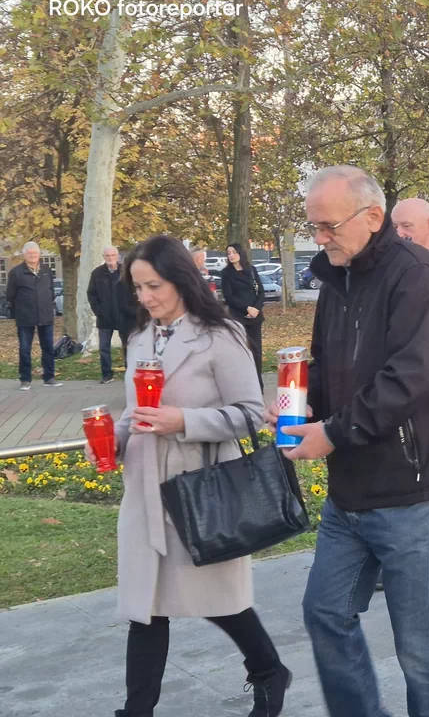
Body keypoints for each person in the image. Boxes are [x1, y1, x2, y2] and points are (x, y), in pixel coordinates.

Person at [265, 165, 429, 717]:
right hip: (352, 488)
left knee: (417, 642)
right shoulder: (338, 276)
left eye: (327, 226)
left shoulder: (418, 276)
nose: (319, 238)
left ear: (373, 217)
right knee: (326, 612)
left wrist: (333, 433)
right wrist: (302, 402)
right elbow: (331, 366)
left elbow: (410, 376)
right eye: (313, 226)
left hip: (416, 489)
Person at [82, 234, 291, 717]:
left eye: (153, 286)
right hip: (145, 487)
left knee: (221, 600)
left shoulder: (220, 335)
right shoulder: (140, 338)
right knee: (146, 607)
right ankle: (137, 710)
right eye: (138, 288)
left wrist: (184, 421)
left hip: (200, 488)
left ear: (180, 279)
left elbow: (250, 413)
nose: (145, 297)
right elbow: (136, 411)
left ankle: (268, 669)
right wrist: (113, 439)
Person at [6, 241, 61, 390]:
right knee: (25, 349)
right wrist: (22, 308)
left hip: (45, 315)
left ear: (39, 254)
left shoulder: (46, 270)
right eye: (30, 253)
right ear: (24, 255)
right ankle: (25, 380)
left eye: (35, 253)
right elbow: (10, 295)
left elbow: (51, 291)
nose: (33, 255)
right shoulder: (16, 272)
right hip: (25, 317)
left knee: (48, 348)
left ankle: (49, 378)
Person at [221, 243, 266, 390]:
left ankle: (258, 385)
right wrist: (247, 308)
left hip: (255, 317)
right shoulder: (226, 273)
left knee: (256, 351)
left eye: (234, 252)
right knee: (241, 351)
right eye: (229, 253)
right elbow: (229, 297)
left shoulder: (251, 270)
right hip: (238, 316)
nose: (231, 255)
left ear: (240, 253)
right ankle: (243, 385)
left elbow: (261, 292)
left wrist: (256, 309)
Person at [87, 246, 133, 383]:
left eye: (113, 255)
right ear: (103, 257)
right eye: (107, 255)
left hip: (123, 316)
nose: (110, 258)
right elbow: (91, 294)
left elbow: (132, 291)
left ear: (117, 256)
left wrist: (130, 310)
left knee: (128, 346)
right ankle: (106, 374)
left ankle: (129, 372)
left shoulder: (126, 271)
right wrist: (99, 311)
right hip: (104, 317)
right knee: (104, 348)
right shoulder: (97, 273)